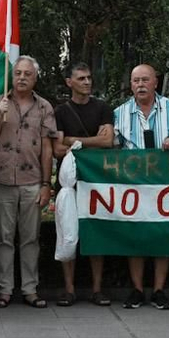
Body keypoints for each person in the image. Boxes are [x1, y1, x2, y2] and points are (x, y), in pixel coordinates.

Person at [0, 56, 58, 310]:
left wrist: (47, 184)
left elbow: (47, 149)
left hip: (32, 181)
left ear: (35, 78)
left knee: (30, 239)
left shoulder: (44, 107)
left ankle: (29, 289)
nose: (22, 77)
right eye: (18, 73)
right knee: (3, 238)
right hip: (3, 179)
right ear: (11, 77)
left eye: (27, 74)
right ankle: (4, 289)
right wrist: (0, 118)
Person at [114, 62, 169, 309]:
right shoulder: (120, 113)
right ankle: (136, 289)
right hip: (133, 186)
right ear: (131, 85)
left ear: (155, 82)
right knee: (135, 235)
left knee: (162, 235)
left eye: (145, 80)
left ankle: (158, 289)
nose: (141, 85)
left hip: (164, 184)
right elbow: (113, 147)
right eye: (136, 81)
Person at [52, 62, 114, 306]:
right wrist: (93, 141)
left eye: (89, 78)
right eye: (81, 78)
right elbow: (57, 148)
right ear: (69, 82)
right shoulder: (60, 112)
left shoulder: (102, 108)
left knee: (96, 233)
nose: (87, 82)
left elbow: (108, 141)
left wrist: (73, 140)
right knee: (67, 233)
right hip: (69, 184)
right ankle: (69, 289)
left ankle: (97, 289)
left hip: (97, 183)